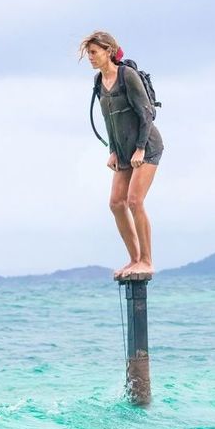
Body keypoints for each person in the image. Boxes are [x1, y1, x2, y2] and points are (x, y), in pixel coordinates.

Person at [79, 31, 164, 278]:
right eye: (89, 54)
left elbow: (146, 114)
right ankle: (134, 259)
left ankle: (147, 261)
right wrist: (113, 152)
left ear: (108, 51)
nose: (91, 58)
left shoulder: (128, 76)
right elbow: (108, 120)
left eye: (94, 53)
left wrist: (139, 148)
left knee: (135, 201)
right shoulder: (99, 82)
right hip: (124, 151)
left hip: (146, 146)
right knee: (116, 203)